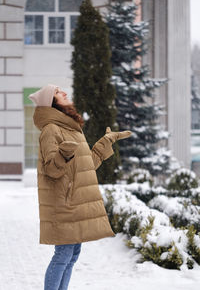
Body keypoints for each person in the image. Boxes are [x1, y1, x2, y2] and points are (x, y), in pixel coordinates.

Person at [29, 84, 131, 290]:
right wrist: (62, 155)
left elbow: (88, 165)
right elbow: (51, 169)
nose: (64, 92)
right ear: (51, 103)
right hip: (65, 203)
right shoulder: (51, 130)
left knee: (72, 255)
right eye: (58, 92)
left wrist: (105, 141)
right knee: (63, 255)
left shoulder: (71, 129)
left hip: (76, 203)